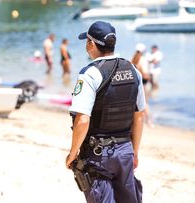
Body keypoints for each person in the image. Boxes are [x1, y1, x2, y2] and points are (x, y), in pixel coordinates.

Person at [65, 21, 146, 203]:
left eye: (87, 41)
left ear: (91, 44)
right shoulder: (133, 70)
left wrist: (73, 152)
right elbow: (139, 115)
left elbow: (83, 120)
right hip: (125, 150)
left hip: (99, 155)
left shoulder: (90, 74)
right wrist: (135, 152)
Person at [132, 43, 153, 127]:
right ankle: (149, 121)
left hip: (136, 84)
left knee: (137, 103)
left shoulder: (133, 59)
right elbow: (145, 74)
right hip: (144, 83)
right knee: (145, 103)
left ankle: (141, 120)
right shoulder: (143, 59)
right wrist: (150, 79)